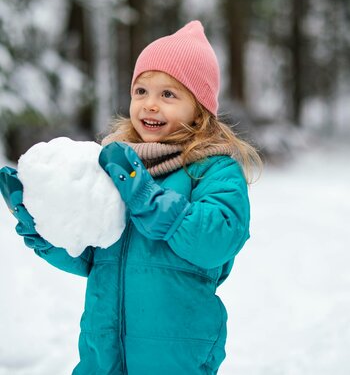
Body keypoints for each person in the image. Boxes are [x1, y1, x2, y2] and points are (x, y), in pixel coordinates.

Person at [0, 20, 261, 375]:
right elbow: (90, 256)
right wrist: (42, 229)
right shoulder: (112, 163)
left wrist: (148, 199)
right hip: (102, 353)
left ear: (200, 108)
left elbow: (216, 240)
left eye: (168, 94)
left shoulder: (213, 170)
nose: (150, 105)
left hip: (175, 358)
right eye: (141, 91)